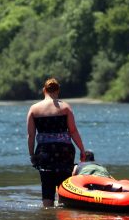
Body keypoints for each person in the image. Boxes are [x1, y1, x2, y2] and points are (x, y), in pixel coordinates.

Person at [27, 77, 87, 208]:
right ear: (58, 91)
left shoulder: (34, 109)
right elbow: (73, 131)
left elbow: (31, 135)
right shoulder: (65, 107)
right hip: (64, 153)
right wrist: (82, 150)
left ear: (44, 90)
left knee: (47, 188)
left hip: (44, 153)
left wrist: (32, 154)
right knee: (63, 186)